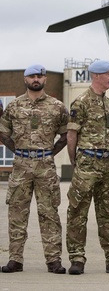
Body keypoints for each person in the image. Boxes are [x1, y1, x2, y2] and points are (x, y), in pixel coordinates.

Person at [0, 65, 69, 274]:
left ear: (45, 79)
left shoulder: (57, 106)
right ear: (25, 79)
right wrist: (18, 151)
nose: (36, 79)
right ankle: (15, 259)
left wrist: (50, 153)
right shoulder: (14, 106)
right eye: (32, 76)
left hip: (45, 167)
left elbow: (66, 134)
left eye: (39, 76)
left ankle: (53, 260)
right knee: (17, 213)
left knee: (49, 213)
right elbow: (3, 132)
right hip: (20, 166)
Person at [66, 60, 109, 275]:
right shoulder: (81, 102)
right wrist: (75, 162)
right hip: (87, 162)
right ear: (96, 76)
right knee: (78, 211)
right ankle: (77, 259)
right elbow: (72, 135)